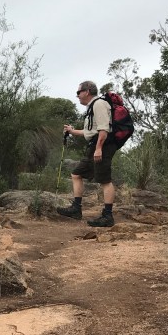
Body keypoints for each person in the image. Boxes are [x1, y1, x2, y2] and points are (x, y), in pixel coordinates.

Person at [56, 80, 117, 227]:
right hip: (94, 145)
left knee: (105, 180)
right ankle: (76, 209)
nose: (77, 95)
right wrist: (72, 131)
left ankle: (108, 216)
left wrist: (99, 148)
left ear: (87, 91)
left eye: (79, 92)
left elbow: (103, 130)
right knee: (76, 174)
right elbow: (89, 132)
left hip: (102, 145)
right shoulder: (92, 107)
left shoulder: (99, 104)